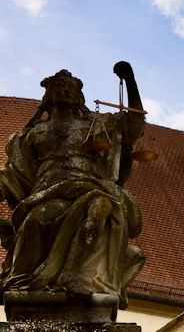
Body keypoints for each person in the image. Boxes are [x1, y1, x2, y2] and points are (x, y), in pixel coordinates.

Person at [0, 62, 146, 307]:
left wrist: (129, 80)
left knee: (101, 207)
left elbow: (134, 123)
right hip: (47, 191)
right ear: (48, 97)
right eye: (59, 87)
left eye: (70, 88)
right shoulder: (34, 133)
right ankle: (21, 278)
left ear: (80, 97)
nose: (65, 91)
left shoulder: (95, 126)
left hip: (90, 186)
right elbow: (12, 172)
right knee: (35, 221)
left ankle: (73, 271)